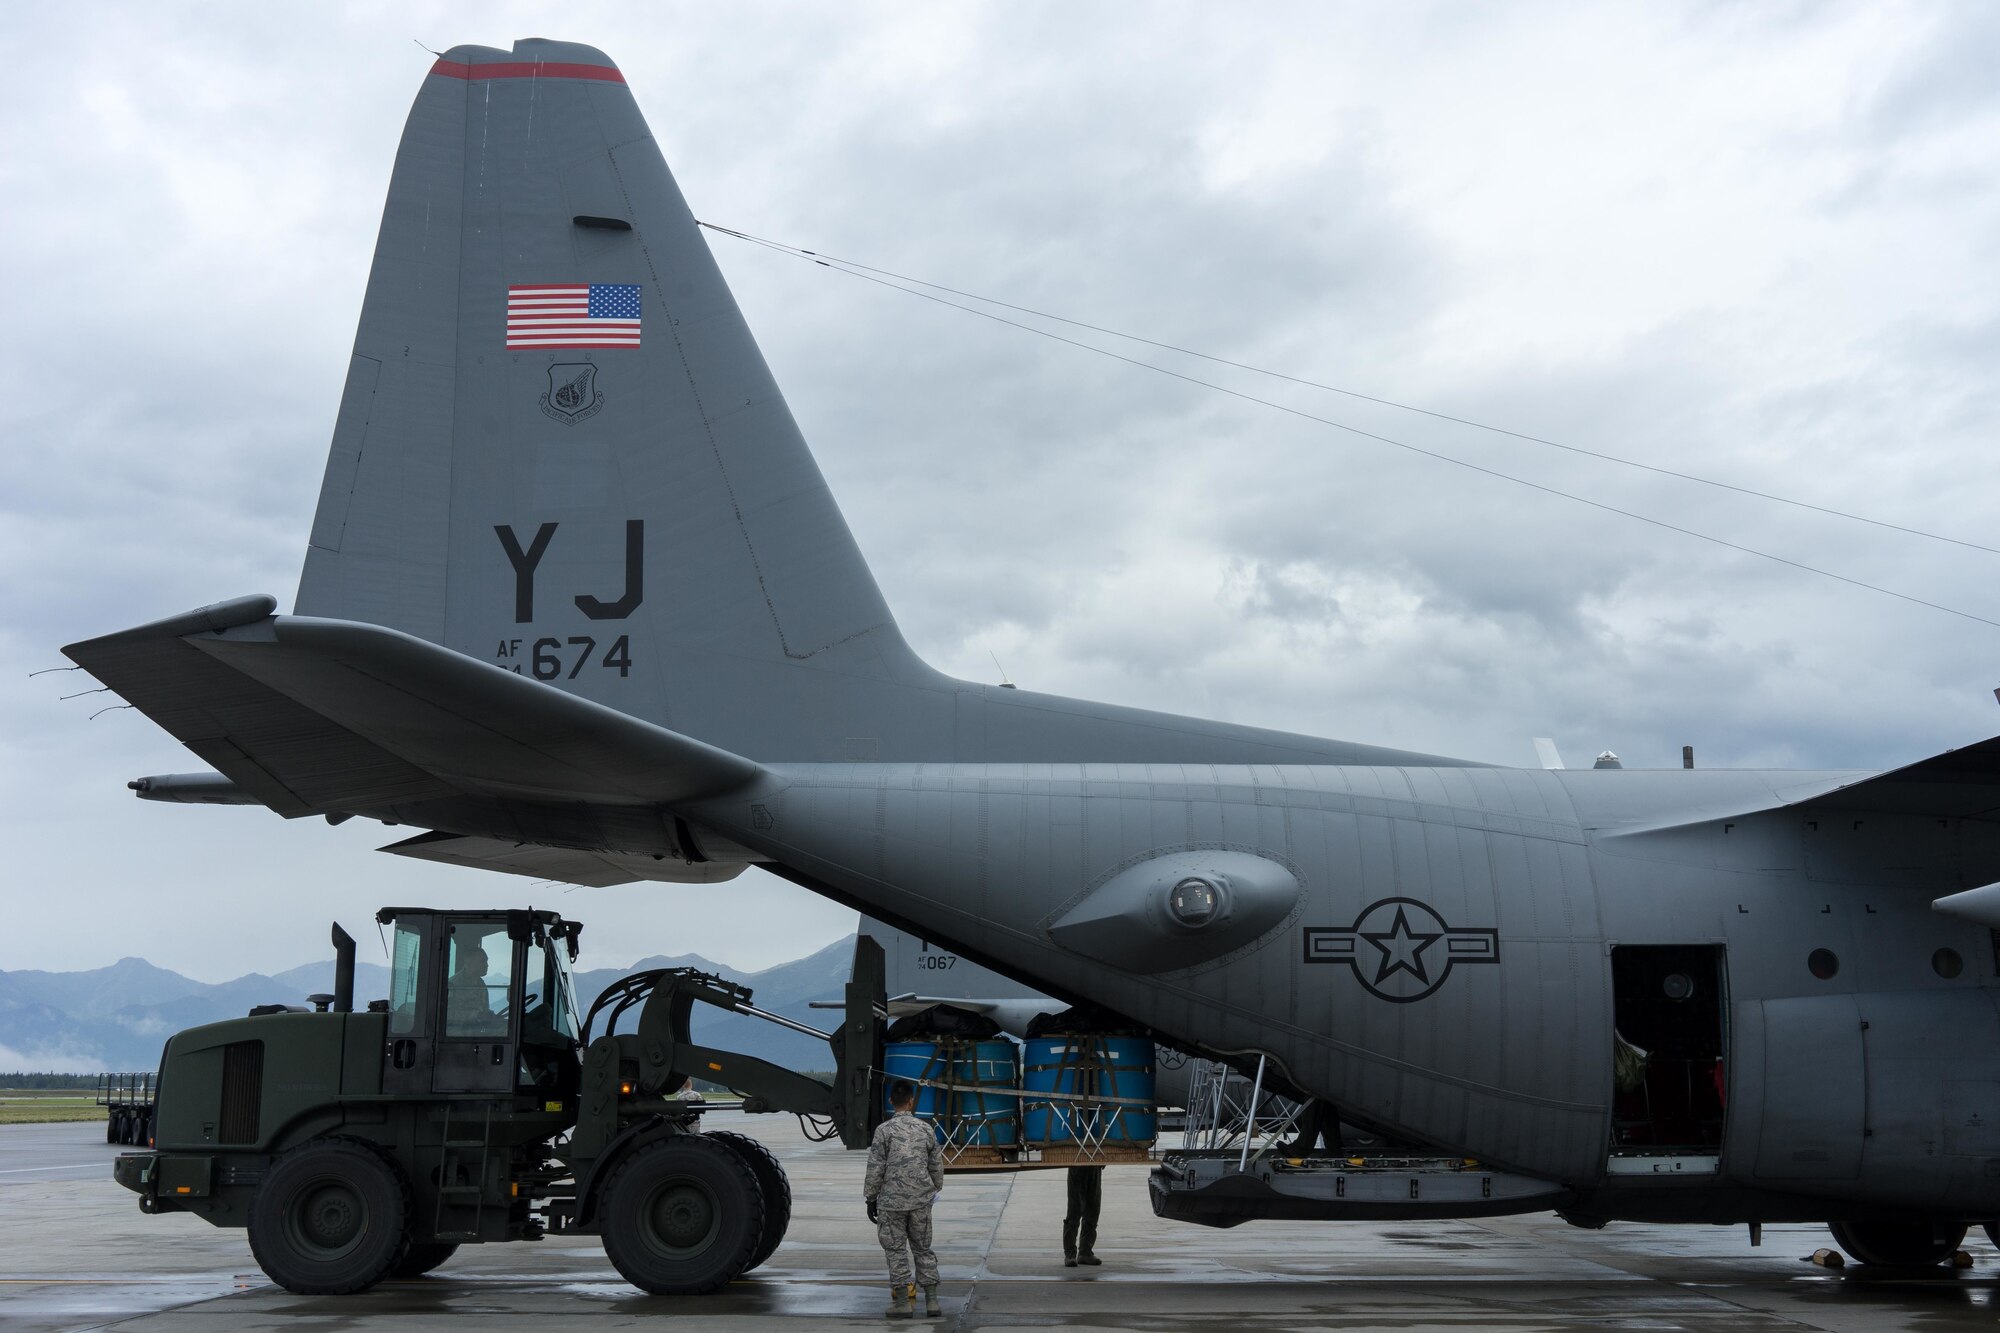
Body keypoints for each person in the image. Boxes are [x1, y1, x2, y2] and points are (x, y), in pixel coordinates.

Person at [865, 1080, 944, 1318]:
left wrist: (871, 1198)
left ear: (891, 1101)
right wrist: (933, 1190)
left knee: (896, 1250)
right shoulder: (925, 1128)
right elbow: (936, 1165)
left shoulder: (884, 1131)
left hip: (892, 1202)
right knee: (923, 1249)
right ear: (912, 1101)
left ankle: (902, 1303)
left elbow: (876, 1167)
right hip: (920, 1200)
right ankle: (932, 1302)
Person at [1063, 1164, 1103, 1266]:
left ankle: (1085, 1252)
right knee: (1074, 1210)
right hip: (1076, 1166)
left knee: (1093, 1210)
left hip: (1095, 1166)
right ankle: (1070, 1255)